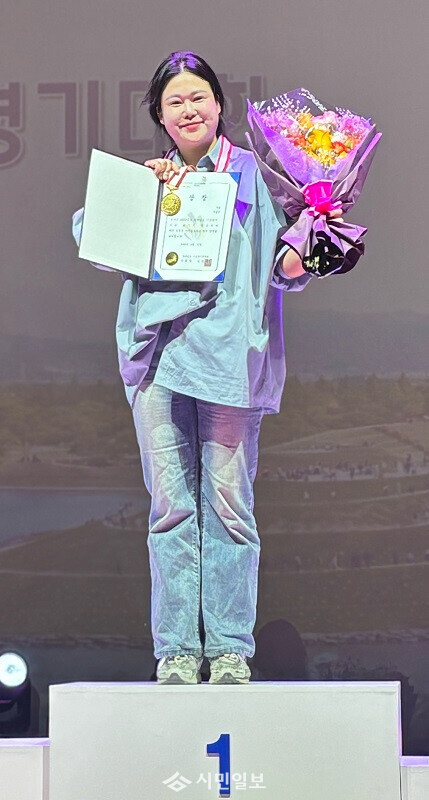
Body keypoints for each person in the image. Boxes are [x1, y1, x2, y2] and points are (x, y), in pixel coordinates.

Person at [72, 51, 341, 686]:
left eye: (199, 97)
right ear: (160, 116)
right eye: (175, 102)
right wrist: (143, 194)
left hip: (230, 360)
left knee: (229, 506)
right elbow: (94, 237)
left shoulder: (256, 174)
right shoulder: (157, 178)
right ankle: (175, 650)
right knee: (170, 508)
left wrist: (317, 232)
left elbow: (284, 269)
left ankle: (227, 648)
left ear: (219, 105)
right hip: (159, 357)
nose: (188, 109)